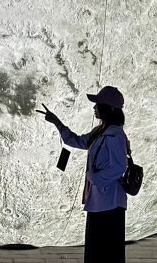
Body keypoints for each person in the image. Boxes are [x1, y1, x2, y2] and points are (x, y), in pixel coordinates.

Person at [39, 86, 130, 262]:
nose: (94, 108)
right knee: (96, 250)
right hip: (100, 202)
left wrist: (94, 178)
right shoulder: (101, 132)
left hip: (110, 203)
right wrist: (57, 122)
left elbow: (119, 167)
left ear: (109, 109)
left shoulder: (115, 136)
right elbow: (74, 140)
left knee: (107, 252)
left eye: (98, 104)